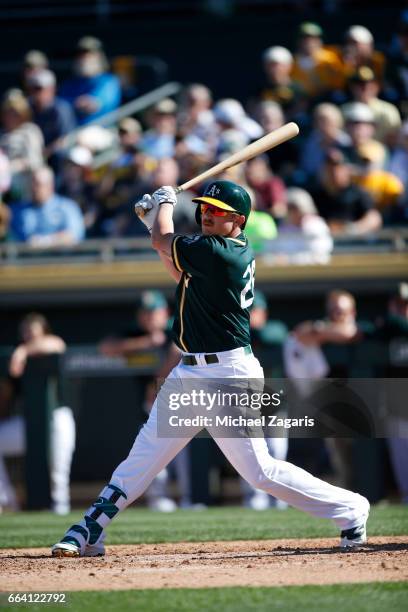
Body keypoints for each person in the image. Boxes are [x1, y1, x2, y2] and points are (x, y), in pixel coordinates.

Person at [51, 179, 369, 557]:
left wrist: (163, 207)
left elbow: (163, 241)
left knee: (260, 473)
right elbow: (178, 269)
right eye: (203, 208)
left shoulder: (224, 252)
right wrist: (154, 221)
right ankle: (89, 529)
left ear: (238, 220)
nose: (205, 214)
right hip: (189, 373)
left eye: (216, 212)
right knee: (143, 457)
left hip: (228, 375)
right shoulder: (214, 251)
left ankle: (351, 509)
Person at [0, 313, 75, 515]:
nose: (28, 336)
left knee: (58, 474)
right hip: (30, 423)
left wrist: (22, 351)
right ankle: (6, 501)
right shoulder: (15, 361)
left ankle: (61, 513)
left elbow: (56, 344)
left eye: (32, 332)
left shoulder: (42, 347)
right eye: (24, 333)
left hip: (58, 417)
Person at [10, 166, 85, 246]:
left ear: (50, 186)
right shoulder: (18, 209)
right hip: (26, 257)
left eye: (38, 184)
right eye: (32, 183)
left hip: (60, 257)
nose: (34, 188)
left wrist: (45, 241)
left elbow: (75, 234)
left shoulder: (67, 207)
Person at [59, 36, 121, 125]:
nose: (84, 59)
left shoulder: (108, 81)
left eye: (89, 54)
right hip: (71, 131)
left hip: (102, 130)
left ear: (99, 57)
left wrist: (87, 103)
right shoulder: (70, 83)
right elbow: (60, 104)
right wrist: (76, 103)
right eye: (81, 54)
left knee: (85, 137)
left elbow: (95, 105)